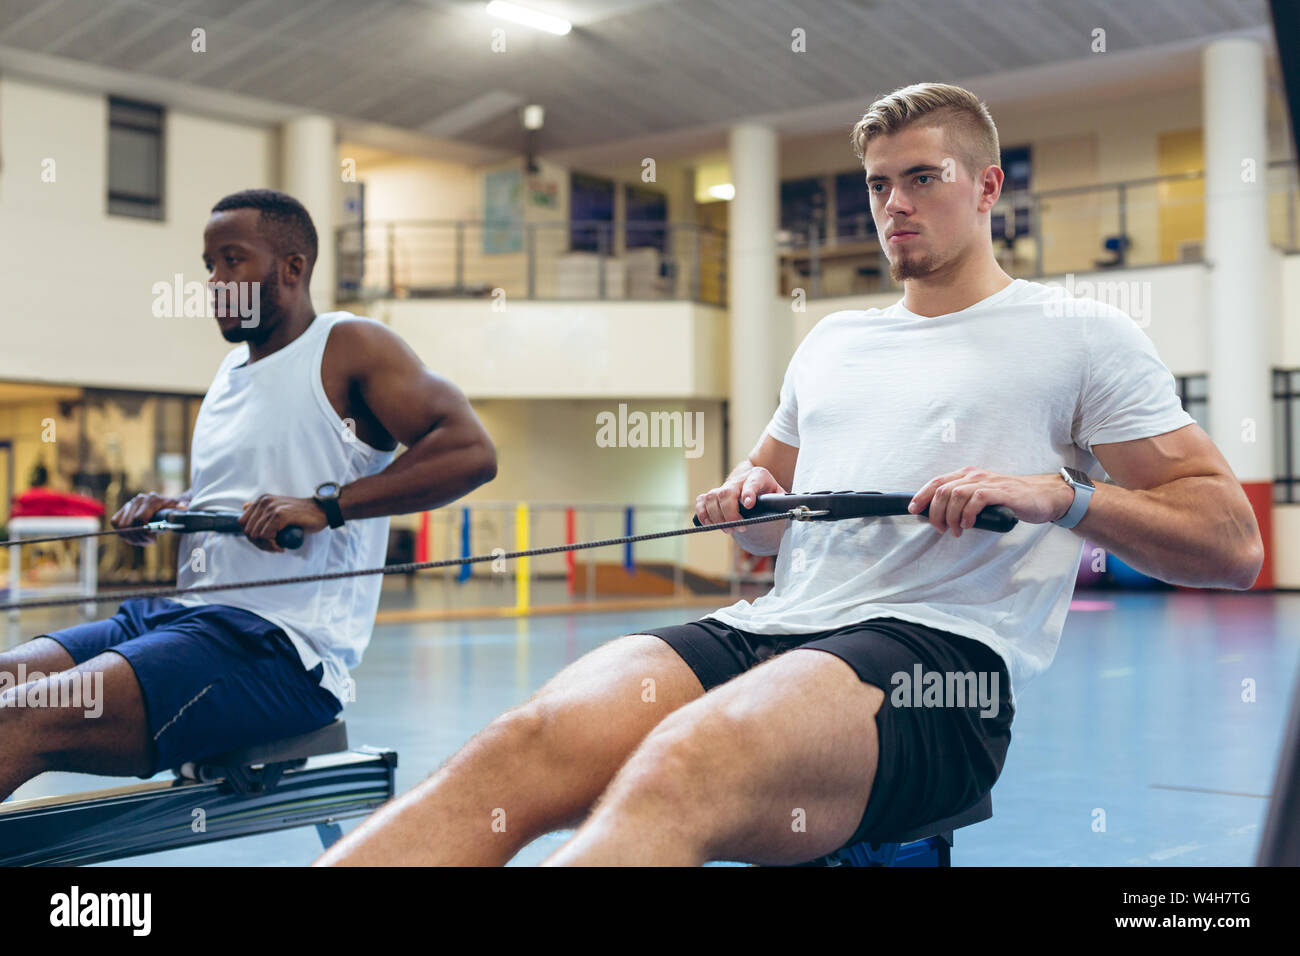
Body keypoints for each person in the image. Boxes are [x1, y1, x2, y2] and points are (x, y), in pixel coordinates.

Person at [318, 83, 1263, 867]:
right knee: (512, 750)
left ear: (987, 188)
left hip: (938, 664)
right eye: (879, 184)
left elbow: (1231, 544)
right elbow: (765, 525)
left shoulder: (1081, 334)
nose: (895, 204)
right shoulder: (834, 340)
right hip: (768, 627)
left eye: (922, 179)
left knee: (683, 762)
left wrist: (1063, 496)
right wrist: (743, 506)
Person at [0, 189, 496, 800]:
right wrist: (176, 508)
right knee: (5, 685)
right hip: (182, 617)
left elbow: (471, 451)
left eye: (232, 260)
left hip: (279, 653)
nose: (214, 281)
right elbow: (233, 493)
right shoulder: (229, 375)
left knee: (19, 718)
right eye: (209, 265)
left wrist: (326, 506)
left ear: (293, 267)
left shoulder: (347, 345)